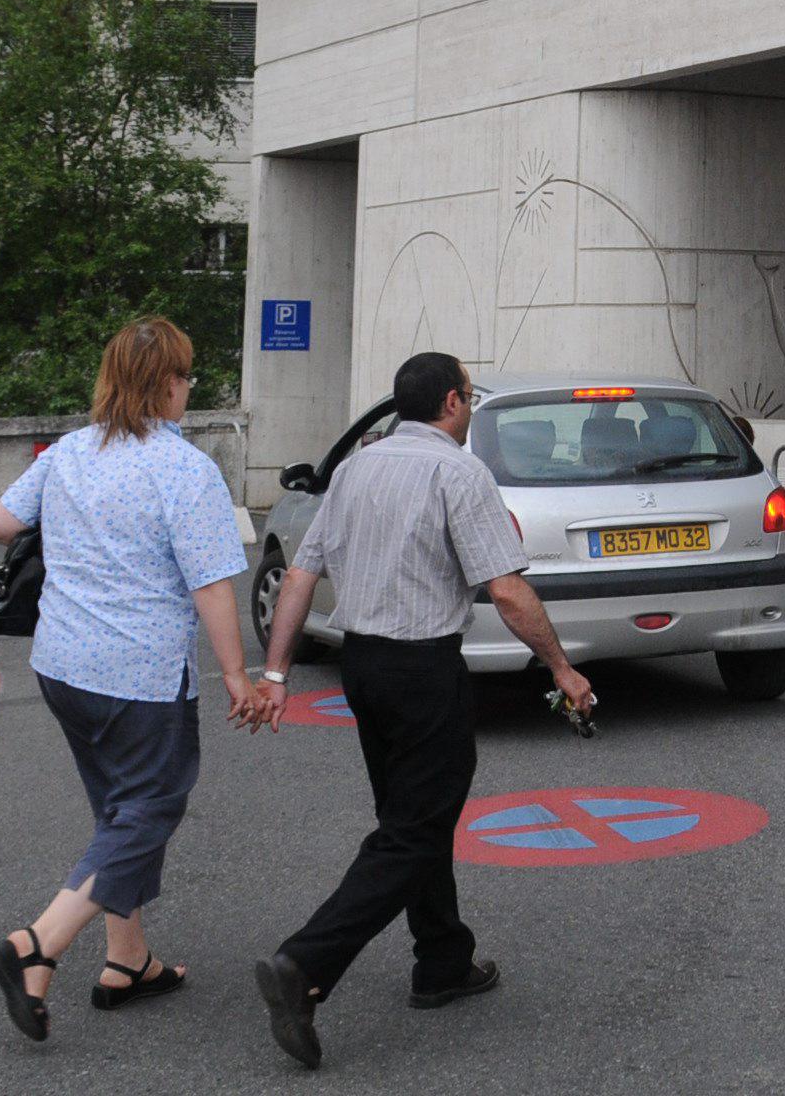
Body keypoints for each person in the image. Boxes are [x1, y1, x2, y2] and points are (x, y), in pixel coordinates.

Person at [241, 350, 597, 1070]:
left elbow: (302, 573)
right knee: (414, 828)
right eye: (466, 397)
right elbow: (507, 590)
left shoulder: (358, 468)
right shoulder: (457, 471)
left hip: (364, 668)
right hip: (424, 668)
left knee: (410, 818)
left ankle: (441, 960)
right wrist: (562, 668)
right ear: (454, 403)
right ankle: (305, 965)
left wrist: (277, 669)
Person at [0, 316, 255, 1044]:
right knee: (150, 809)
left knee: (119, 811)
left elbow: (0, 524)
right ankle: (36, 943)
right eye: (186, 376)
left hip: (63, 664)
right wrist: (236, 675)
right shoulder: (185, 470)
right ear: (166, 384)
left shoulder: (68, 451)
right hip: (140, 673)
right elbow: (213, 586)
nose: (188, 389)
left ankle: (127, 962)